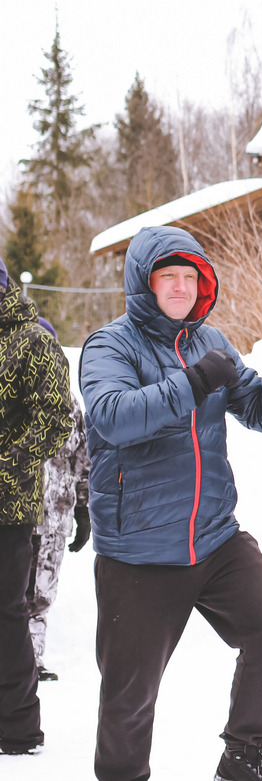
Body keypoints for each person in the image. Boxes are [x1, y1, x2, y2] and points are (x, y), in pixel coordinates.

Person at [79, 225, 262, 781]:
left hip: (214, 536)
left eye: (192, 277)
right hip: (139, 551)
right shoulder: (109, 345)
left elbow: (261, 413)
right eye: (170, 276)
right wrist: (190, 384)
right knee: (129, 698)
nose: (182, 287)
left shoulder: (211, 342)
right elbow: (112, 417)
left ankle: (242, 757)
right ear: (145, 282)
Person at [0, 258, 73, 757]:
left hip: (8, 507)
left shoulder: (32, 340)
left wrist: (7, 456)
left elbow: (58, 420)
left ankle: (20, 730)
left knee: (7, 615)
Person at [27, 317, 92, 683]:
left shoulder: (70, 404)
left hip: (55, 520)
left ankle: (32, 662)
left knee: (41, 597)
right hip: (15, 518)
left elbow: (82, 461)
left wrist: (83, 509)